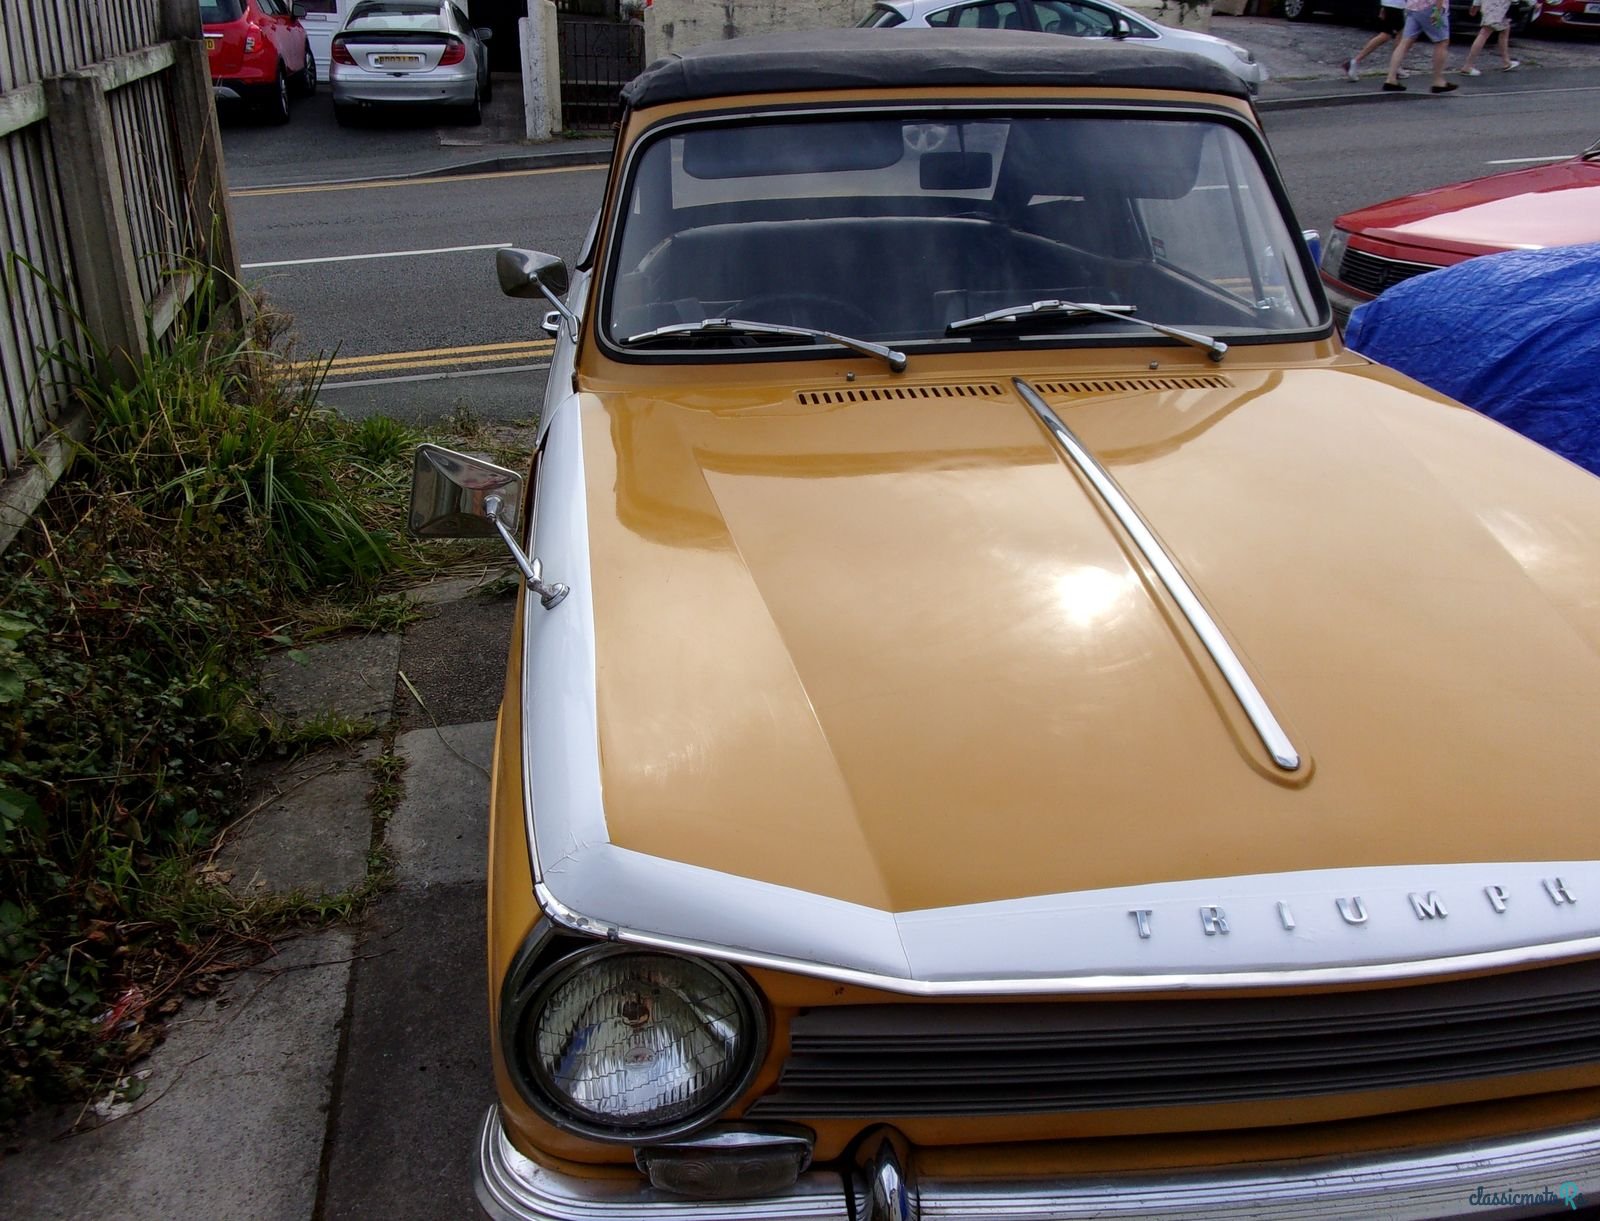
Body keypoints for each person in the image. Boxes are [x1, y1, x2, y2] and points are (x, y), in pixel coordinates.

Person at [1382, 0, 1459, 94]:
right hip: (1430, 6)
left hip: (1412, 7)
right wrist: (1438, 10)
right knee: (1441, 42)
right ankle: (1438, 81)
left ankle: (1391, 78)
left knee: (1404, 42)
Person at [1344, 0, 1413, 82]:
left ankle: (1396, 67)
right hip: (1396, 5)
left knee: (1394, 33)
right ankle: (1355, 61)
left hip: (1390, 4)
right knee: (1388, 34)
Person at [1457, 0, 1521, 75]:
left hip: (1493, 5)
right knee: (1485, 32)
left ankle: (1506, 62)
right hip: (1497, 6)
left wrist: (1476, 5)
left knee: (1505, 29)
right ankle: (1467, 66)